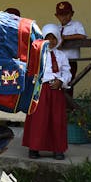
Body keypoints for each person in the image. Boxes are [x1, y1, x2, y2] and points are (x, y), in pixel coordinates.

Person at [22, 24, 71, 160]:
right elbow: (31, 71)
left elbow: (67, 71)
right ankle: (34, 147)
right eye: (47, 38)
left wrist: (61, 80)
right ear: (43, 38)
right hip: (40, 90)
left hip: (56, 90)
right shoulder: (37, 54)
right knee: (39, 119)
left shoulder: (61, 55)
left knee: (56, 119)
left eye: (54, 38)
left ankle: (58, 149)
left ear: (58, 39)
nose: (51, 41)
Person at [54, 0, 87, 86]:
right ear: (56, 16)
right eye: (61, 15)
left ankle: (68, 99)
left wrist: (65, 38)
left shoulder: (76, 25)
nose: (64, 17)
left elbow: (82, 36)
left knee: (69, 82)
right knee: (58, 81)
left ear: (72, 14)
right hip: (58, 61)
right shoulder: (57, 28)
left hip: (71, 60)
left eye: (66, 14)